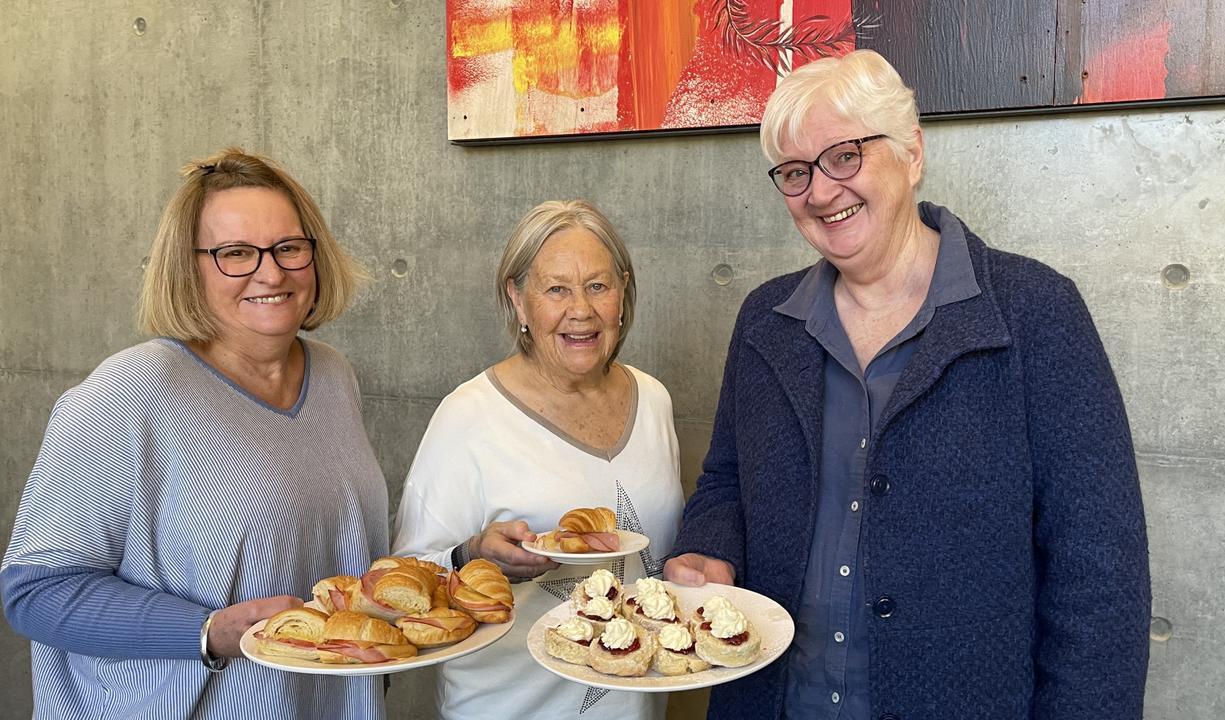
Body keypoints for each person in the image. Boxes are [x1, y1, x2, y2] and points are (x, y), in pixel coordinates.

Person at [664, 50, 1151, 719]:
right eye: (796, 172)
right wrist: (707, 548)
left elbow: (1100, 570)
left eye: (845, 156)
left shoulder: (1035, 312)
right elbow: (725, 479)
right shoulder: (764, 322)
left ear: (912, 152)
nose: (821, 192)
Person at [1, 148, 388, 719]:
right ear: (189, 268)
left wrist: (464, 556)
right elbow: (35, 592)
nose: (272, 272)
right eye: (235, 253)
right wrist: (209, 630)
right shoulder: (130, 391)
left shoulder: (331, 374)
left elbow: (341, 544)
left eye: (288, 247)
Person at [393, 200, 684, 720]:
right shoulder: (468, 416)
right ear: (518, 299)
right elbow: (405, 581)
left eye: (598, 286)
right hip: (507, 707)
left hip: (636, 706)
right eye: (556, 289)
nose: (582, 310)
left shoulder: (655, 400)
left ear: (623, 291)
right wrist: (470, 557)